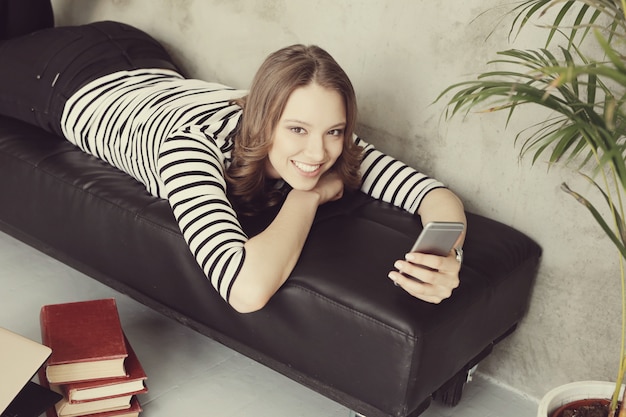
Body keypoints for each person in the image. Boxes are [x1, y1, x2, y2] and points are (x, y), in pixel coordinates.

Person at [0, 1, 466, 313]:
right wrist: (306, 199)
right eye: (297, 129)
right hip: (61, 78)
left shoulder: (329, 147)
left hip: (140, 51)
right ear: (263, 121)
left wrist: (451, 255)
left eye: (335, 131)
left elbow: (433, 195)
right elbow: (245, 290)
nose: (317, 152)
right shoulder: (190, 147)